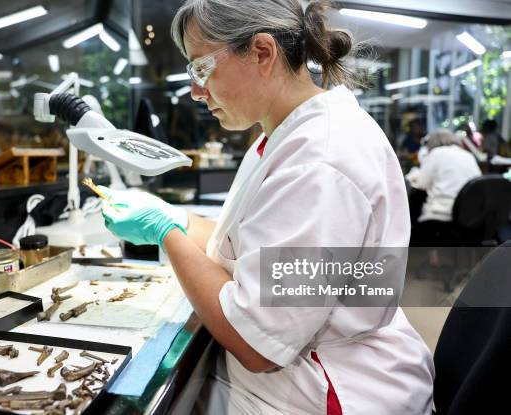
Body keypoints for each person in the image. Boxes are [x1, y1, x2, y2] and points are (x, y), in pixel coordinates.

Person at [99, 0, 434, 413]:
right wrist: (175, 216)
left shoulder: (321, 161)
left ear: (261, 52)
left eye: (201, 69)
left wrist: (165, 233)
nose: (196, 91)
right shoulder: (285, 135)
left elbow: (256, 343)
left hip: (324, 388)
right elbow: (244, 245)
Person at [410, 129, 482, 246]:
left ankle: (428, 255)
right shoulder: (468, 155)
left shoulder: (436, 153)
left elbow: (422, 184)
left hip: (444, 214)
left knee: (414, 201)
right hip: (471, 214)